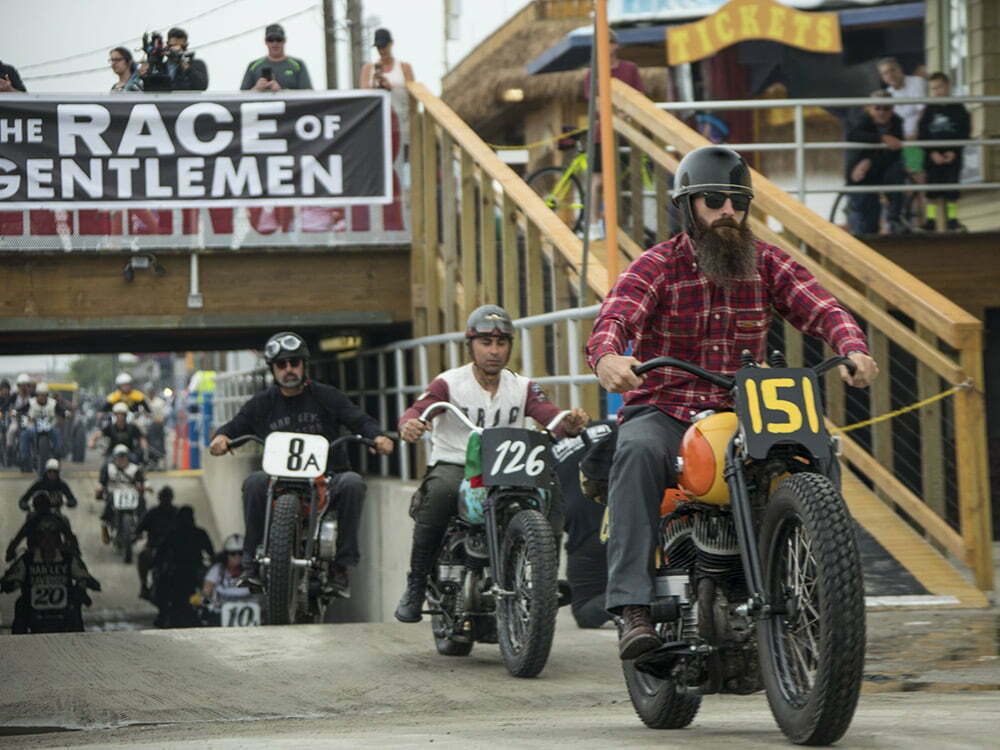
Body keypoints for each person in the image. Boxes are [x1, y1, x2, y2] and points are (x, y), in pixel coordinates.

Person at [585, 145, 878, 659]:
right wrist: (608, 356)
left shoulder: (767, 262)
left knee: (817, 451)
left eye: (737, 202)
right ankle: (632, 606)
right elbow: (616, 316)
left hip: (748, 410)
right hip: (667, 406)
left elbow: (822, 306)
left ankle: (816, 585)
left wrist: (851, 347)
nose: (727, 212)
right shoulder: (658, 263)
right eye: (714, 200)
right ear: (689, 206)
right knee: (635, 454)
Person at [394, 305, 589, 623]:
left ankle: (544, 579)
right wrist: (411, 424)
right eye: (486, 343)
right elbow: (420, 409)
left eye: (501, 343)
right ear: (470, 345)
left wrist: (569, 422)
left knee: (550, 485)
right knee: (441, 492)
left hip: (510, 465)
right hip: (457, 462)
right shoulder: (448, 383)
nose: (494, 351)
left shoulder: (523, 386)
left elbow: (548, 414)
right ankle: (415, 585)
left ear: (510, 346)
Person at [209, 331, 394, 596]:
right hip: (279, 481)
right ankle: (251, 564)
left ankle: (341, 566)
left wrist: (378, 436)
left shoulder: (327, 396)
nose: (289, 370)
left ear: (304, 365)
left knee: (353, 483)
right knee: (253, 482)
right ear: (273, 370)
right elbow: (236, 425)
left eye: (294, 363)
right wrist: (222, 438)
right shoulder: (262, 403)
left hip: (328, 477)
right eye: (281, 365)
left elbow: (358, 419)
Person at [582, 30, 645, 240]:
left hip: (626, 134)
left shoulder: (630, 69)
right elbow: (595, 102)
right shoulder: (592, 73)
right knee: (597, 181)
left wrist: (626, 115)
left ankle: (622, 226)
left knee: (625, 182)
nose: (605, 47)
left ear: (615, 45)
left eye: (608, 42)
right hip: (601, 134)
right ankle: (592, 224)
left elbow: (639, 97)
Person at [553, 421, 616, 628]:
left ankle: (632, 598)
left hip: (586, 535)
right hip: (635, 520)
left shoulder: (546, 452)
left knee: (584, 611)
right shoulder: (613, 426)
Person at [1, 514, 100, 634]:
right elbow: (14, 577)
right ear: (37, 540)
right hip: (33, 612)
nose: (47, 540)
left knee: (75, 605)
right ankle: (18, 647)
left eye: (52, 536)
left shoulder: (68, 559)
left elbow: (83, 575)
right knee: (21, 605)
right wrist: (11, 583)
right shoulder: (27, 560)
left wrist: (84, 584)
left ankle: (79, 643)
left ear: (58, 539)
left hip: (65, 612)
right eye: (43, 536)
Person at [844, 91, 905, 236]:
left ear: (892, 109)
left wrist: (869, 161)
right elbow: (853, 136)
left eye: (887, 108)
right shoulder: (861, 121)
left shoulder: (897, 122)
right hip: (860, 174)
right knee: (866, 222)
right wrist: (882, 138)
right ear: (870, 108)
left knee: (898, 171)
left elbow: (894, 153)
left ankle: (894, 220)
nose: (882, 112)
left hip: (883, 169)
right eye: (877, 108)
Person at [917, 72, 971, 231]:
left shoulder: (959, 108)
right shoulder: (928, 109)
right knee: (931, 190)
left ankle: (953, 219)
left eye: (939, 87)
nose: (936, 91)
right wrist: (932, 152)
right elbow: (922, 133)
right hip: (932, 156)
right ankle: (931, 220)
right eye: (933, 88)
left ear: (948, 86)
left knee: (952, 190)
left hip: (953, 155)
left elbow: (965, 131)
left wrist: (954, 150)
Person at [152, 505, 214, 628]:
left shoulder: (173, 534)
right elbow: (212, 553)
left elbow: (159, 555)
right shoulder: (197, 533)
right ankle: (163, 614)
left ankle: (163, 614)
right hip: (183, 573)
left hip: (184, 573)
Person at [359, 28, 414, 156]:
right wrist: (376, 86)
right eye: (378, 47)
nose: (381, 50)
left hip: (402, 126)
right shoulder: (368, 69)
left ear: (391, 44)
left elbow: (412, 94)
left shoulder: (404, 67)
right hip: (377, 128)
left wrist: (391, 87)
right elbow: (363, 94)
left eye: (384, 46)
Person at [878, 57, 926, 180]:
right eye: (885, 73)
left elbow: (923, 111)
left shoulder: (916, 82)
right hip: (900, 139)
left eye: (892, 70)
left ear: (900, 70)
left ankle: (919, 195)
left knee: (914, 170)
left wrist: (913, 134)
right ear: (882, 77)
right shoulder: (888, 93)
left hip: (918, 135)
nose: (890, 75)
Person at [134, 485, 179, 601]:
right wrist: (135, 535)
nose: (165, 500)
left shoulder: (177, 513)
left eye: (167, 498)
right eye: (164, 498)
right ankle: (144, 586)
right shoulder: (152, 513)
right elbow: (139, 528)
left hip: (174, 550)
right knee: (142, 557)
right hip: (155, 548)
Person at [6, 492, 80, 562]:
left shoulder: (33, 520)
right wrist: (76, 550)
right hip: (40, 555)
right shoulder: (56, 519)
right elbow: (70, 536)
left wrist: (10, 552)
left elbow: (18, 537)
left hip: (43, 555)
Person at [97, 444, 146, 545]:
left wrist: (146, 487)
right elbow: (102, 482)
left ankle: (141, 526)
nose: (122, 459)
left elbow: (144, 481)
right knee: (109, 501)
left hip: (131, 493)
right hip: (114, 492)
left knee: (142, 501)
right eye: (119, 456)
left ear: (127, 457)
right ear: (115, 457)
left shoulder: (135, 469)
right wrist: (100, 488)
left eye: (124, 456)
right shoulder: (108, 468)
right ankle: (105, 524)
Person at [240, 23, 312, 91]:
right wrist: (256, 89)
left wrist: (280, 92)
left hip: (291, 104)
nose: (275, 43)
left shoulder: (298, 65)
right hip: (260, 104)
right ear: (265, 42)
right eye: (270, 40)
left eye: (278, 39)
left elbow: (308, 95)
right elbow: (241, 96)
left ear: (284, 41)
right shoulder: (254, 66)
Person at [200, 533, 251, 625]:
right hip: (220, 615)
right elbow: (206, 590)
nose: (237, 557)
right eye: (233, 554)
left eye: (241, 553)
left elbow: (261, 594)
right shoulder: (218, 570)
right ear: (226, 555)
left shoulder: (251, 572)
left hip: (249, 616)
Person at [139, 27, 208, 91]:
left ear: (186, 45)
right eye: (174, 45)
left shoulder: (196, 64)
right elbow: (148, 87)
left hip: (186, 103)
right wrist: (150, 65)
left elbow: (201, 86)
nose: (178, 49)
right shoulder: (160, 67)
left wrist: (185, 65)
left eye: (182, 47)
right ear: (167, 45)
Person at [18, 383, 65, 468]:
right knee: (24, 434)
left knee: (57, 433)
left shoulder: (53, 403)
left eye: (44, 395)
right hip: (34, 428)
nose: (42, 397)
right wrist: (15, 411)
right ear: (37, 395)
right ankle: (25, 457)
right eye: (40, 395)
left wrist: (65, 413)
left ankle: (57, 454)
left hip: (50, 428)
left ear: (47, 395)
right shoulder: (31, 402)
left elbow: (61, 411)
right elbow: (22, 409)